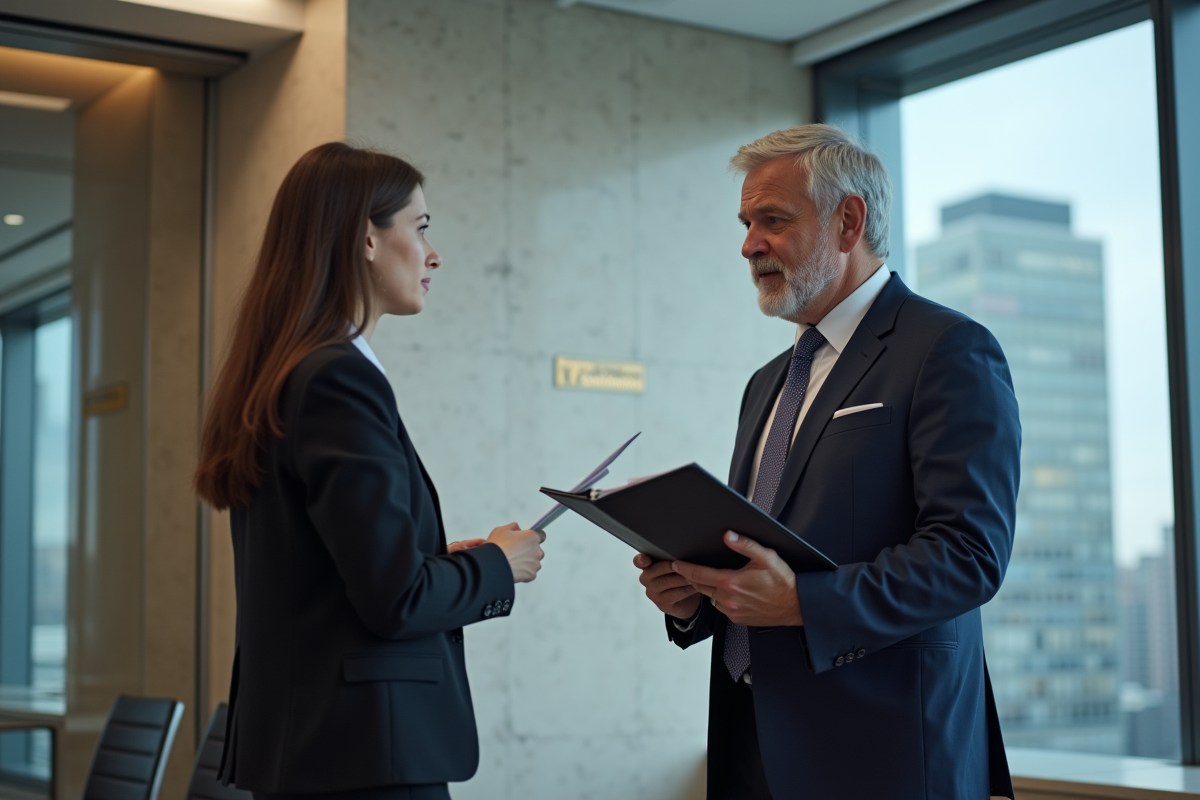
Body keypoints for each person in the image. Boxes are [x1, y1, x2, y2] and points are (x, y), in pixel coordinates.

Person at [634, 124, 1020, 800]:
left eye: (773, 220)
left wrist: (803, 603)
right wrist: (696, 599)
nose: (749, 245)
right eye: (747, 224)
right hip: (752, 747)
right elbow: (761, 551)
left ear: (849, 222)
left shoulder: (948, 349)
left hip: (884, 756)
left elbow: (969, 556)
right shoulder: (766, 383)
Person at [194, 142, 545, 800]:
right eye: (421, 228)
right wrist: (499, 564)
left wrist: (437, 562)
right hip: (364, 757)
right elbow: (396, 600)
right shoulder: (338, 380)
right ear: (366, 239)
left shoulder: (288, 372)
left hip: (317, 749)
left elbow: (335, 576)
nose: (434, 255)